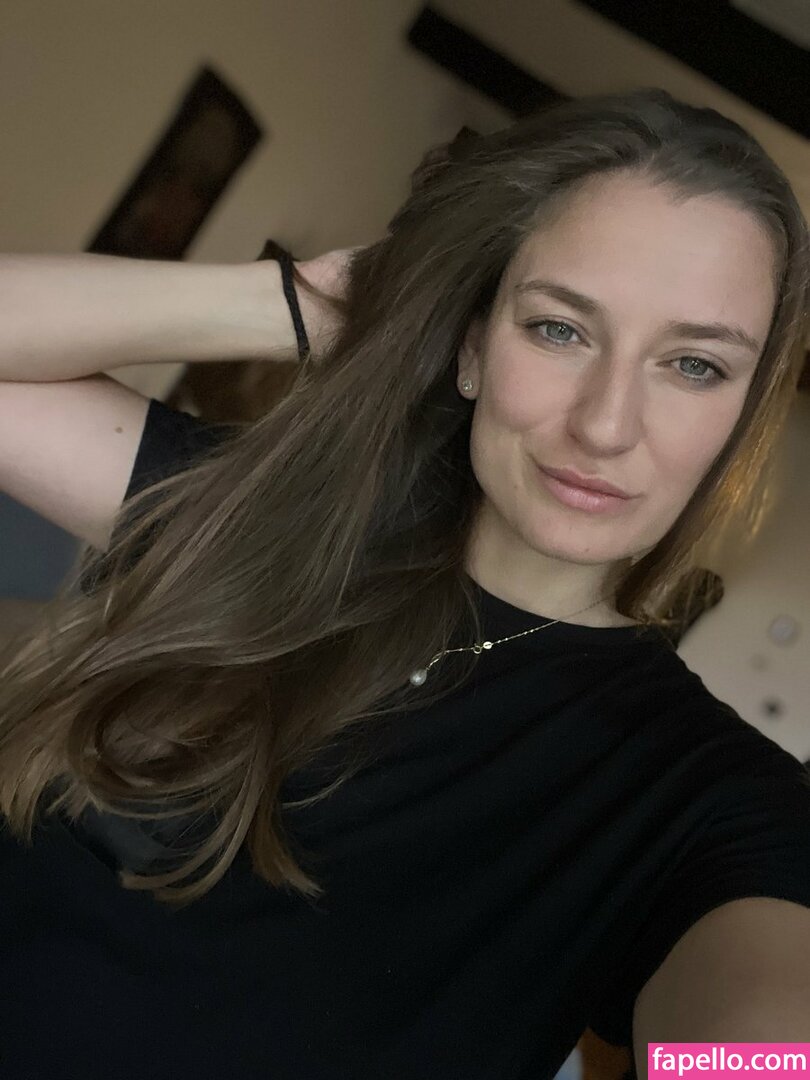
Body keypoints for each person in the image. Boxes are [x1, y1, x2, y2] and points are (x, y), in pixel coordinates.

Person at [0, 86, 809, 1080]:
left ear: (740, 417)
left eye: (693, 366)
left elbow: (760, 1051)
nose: (606, 425)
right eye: (559, 329)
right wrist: (301, 305)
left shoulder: (709, 799)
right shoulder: (263, 529)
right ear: (472, 348)